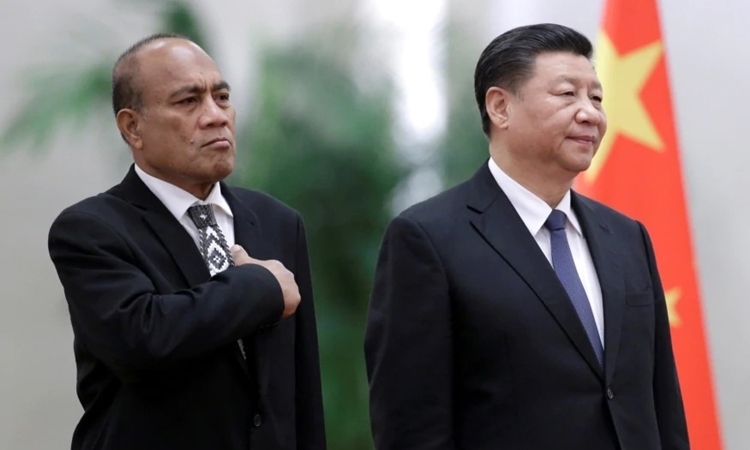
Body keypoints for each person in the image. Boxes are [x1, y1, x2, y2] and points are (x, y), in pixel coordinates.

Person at [364, 23, 689, 450]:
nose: (590, 114)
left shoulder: (627, 237)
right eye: (567, 94)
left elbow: (662, 403)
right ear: (500, 107)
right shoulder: (428, 239)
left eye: (596, 98)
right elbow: (411, 425)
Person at [48, 34, 326, 450]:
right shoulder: (91, 229)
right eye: (188, 101)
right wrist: (260, 286)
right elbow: (142, 340)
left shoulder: (279, 221)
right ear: (133, 127)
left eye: (222, 97)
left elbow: (302, 390)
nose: (216, 116)